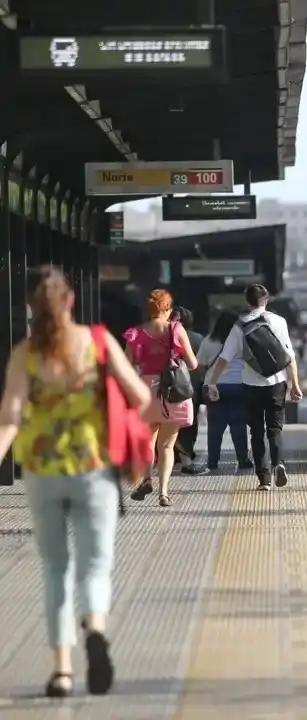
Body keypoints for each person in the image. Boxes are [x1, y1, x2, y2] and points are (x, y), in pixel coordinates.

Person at [0, 266, 151, 697]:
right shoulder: (98, 342)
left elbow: (10, 418)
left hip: (42, 471)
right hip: (93, 468)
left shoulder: (25, 354)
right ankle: (95, 629)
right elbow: (141, 397)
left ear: (31, 307)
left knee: (55, 569)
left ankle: (62, 672)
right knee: (95, 564)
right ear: (70, 300)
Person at [205, 285, 303, 490]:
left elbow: (224, 357)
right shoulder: (279, 321)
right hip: (276, 383)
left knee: (256, 432)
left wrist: (212, 382)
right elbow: (289, 356)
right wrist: (294, 384)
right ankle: (279, 464)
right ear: (266, 300)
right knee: (275, 429)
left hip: (250, 385)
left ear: (247, 301)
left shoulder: (240, 325)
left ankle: (264, 479)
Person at [123, 289, 199, 506]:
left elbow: (126, 365)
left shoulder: (136, 333)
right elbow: (193, 364)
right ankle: (163, 492)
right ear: (167, 309)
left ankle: (147, 479)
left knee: (148, 442)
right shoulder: (176, 329)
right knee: (166, 446)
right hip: (172, 390)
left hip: (147, 391)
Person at [197, 309, 253, 471]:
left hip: (214, 386)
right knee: (238, 425)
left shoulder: (208, 341)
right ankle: (243, 459)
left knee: (215, 426)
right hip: (238, 386)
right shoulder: (242, 340)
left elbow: (200, 365)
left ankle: (212, 461)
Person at [172, 306, 208, 475]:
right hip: (191, 386)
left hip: (169, 384)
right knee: (189, 422)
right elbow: (201, 364)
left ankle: (175, 454)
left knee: (169, 421)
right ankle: (186, 453)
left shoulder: (163, 337)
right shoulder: (197, 339)